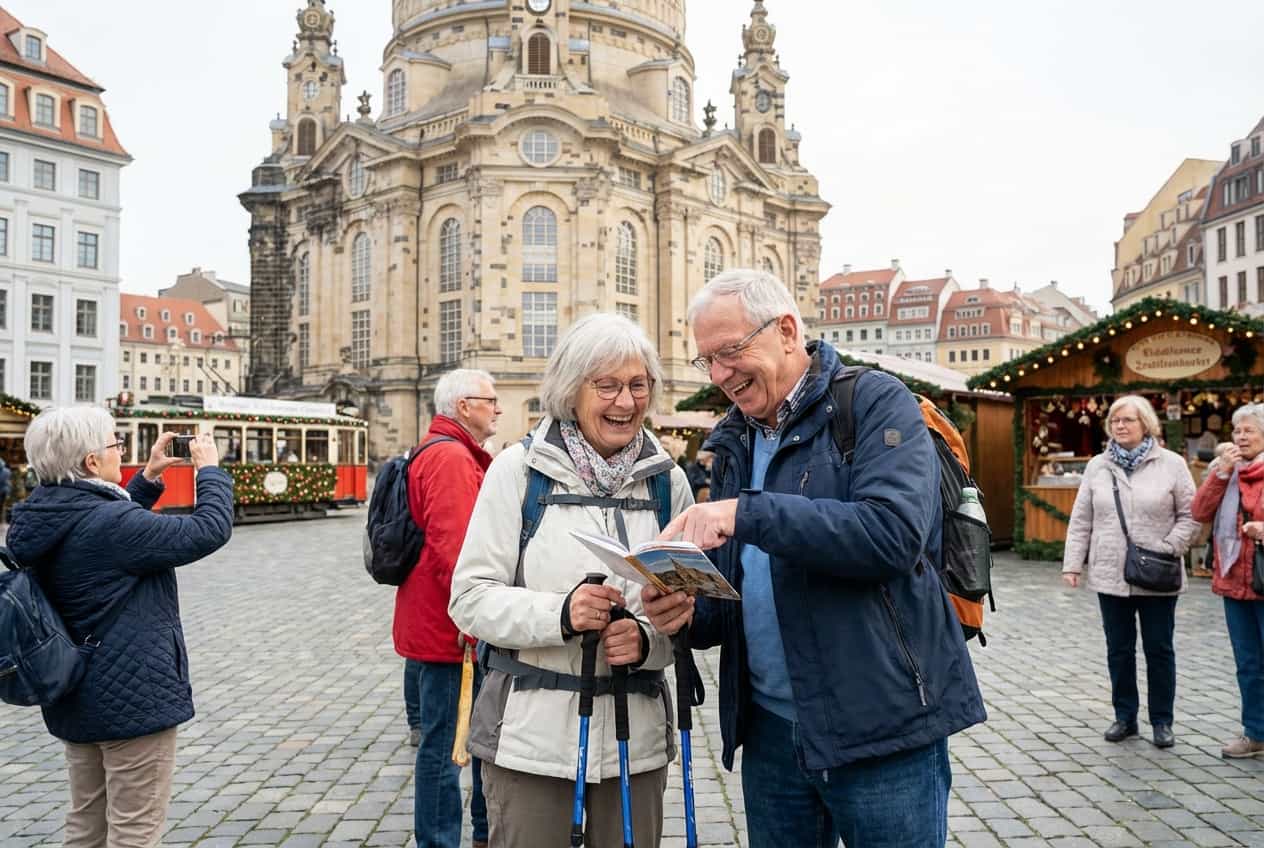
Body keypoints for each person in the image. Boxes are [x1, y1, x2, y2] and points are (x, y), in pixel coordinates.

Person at [641, 270, 985, 848]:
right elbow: (737, 592)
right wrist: (687, 612)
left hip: (883, 726)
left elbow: (892, 535)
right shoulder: (735, 439)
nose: (721, 375)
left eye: (730, 351)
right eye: (708, 361)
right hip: (773, 733)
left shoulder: (876, 401)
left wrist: (745, 513)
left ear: (786, 329)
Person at [449, 314, 692, 848]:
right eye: (606, 385)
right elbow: (469, 599)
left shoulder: (669, 484)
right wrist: (561, 615)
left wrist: (649, 640)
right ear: (570, 390)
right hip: (530, 742)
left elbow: (682, 610)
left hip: (637, 742)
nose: (624, 403)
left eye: (637, 385)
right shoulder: (517, 472)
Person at [6, 407, 232, 848]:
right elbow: (209, 529)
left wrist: (145, 478)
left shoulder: (41, 514)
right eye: (115, 443)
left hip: (74, 692)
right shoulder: (113, 525)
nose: (121, 450)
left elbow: (104, 531)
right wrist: (210, 472)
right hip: (132, 700)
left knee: (86, 823)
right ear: (92, 462)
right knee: (135, 830)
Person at [395, 369, 499, 848]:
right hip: (449, 631)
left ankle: (480, 833)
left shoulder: (447, 451)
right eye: (490, 400)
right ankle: (441, 841)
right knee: (445, 748)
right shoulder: (452, 458)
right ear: (463, 406)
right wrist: (472, 618)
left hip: (441, 624)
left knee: (467, 741)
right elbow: (454, 549)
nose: (497, 408)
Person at [1061, 395, 1200, 748]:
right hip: (1111, 573)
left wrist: (1169, 547)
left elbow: (1191, 515)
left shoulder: (1171, 464)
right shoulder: (1097, 467)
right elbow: (1081, 519)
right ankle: (1125, 717)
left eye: (1128, 420)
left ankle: (1162, 721)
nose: (1120, 426)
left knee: (1159, 649)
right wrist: (1072, 564)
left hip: (1158, 573)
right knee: (1118, 650)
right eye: (1115, 421)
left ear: (1147, 424)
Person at [1192, 402, 1264, 758]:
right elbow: (1199, 511)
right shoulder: (1228, 470)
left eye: (1249, 430)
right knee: (1248, 663)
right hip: (1235, 578)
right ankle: (1256, 733)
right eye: (1237, 431)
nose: (1241, 436)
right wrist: (1220, 472)